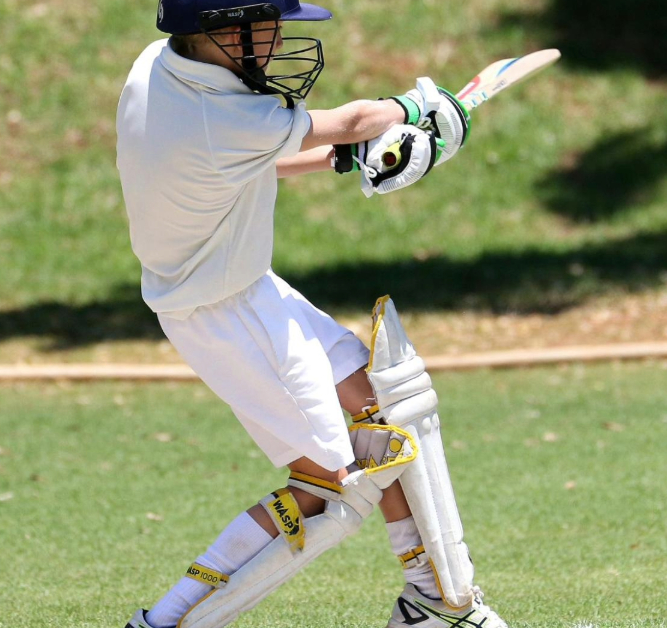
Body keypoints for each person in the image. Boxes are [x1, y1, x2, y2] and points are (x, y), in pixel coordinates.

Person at [114, 1, 505, 627]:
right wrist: (422, 110)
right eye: (267, 22)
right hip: (222, 311)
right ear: (220, 29)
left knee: (383, 403)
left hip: (239, 289)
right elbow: (350, 118)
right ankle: (167, 621)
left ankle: (430, 598)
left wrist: (348, 158)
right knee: (328, 488)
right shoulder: (223, 116)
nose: (279, 38)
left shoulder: (160, 70)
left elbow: (255, 156)